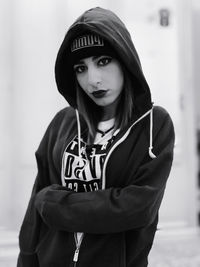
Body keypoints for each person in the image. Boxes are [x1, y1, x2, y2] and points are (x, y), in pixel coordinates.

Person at [17, 6, 175, 267]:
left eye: (103, 61)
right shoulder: (63, 122)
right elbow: (34, 214)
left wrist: (55, 203)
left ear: (125, 60)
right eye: (81, 68)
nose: (93, 80)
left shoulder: (154, 125)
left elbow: (138, 208)